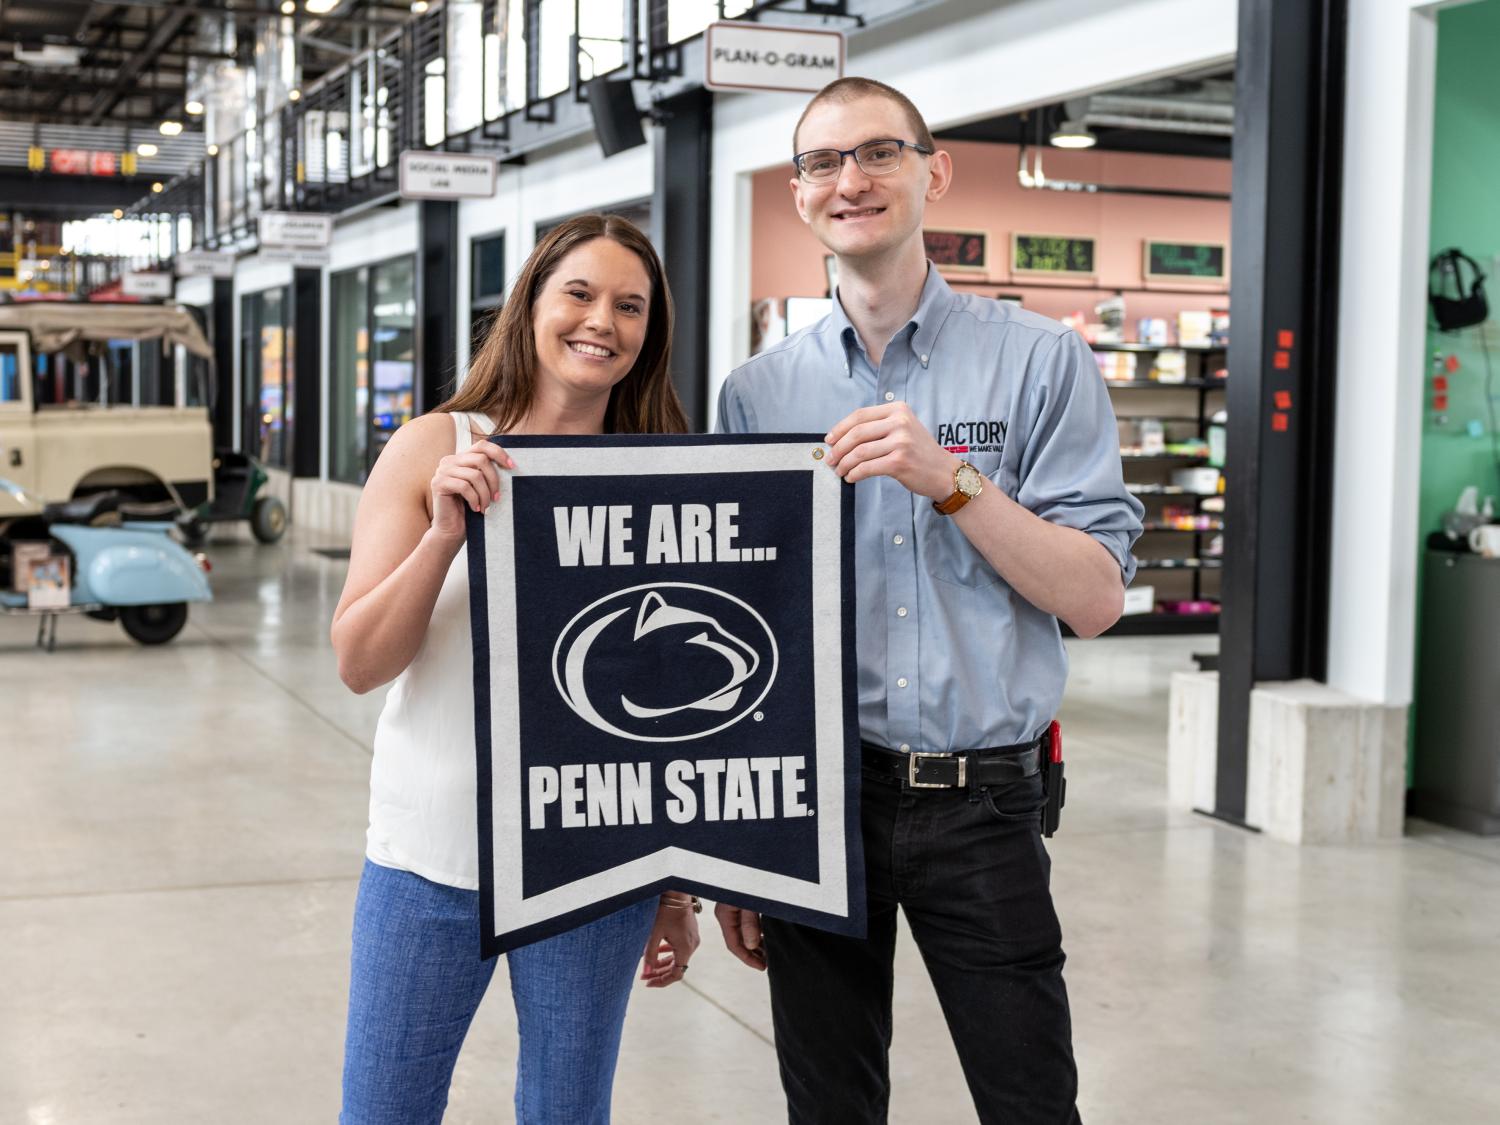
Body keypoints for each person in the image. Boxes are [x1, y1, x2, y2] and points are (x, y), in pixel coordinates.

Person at [714, 78, 1144, 1124]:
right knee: (828, 1105)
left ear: (933, 172)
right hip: (817, 802)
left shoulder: (1040, 360)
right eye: (821, 162)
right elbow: (741, 629)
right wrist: (736, 849)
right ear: (800, 192)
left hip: (985, 803)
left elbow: (1094, 599)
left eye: (877, 153)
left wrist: (952, 481)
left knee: (1030, 1100)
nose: (848, 180)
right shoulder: (757, 396)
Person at [331, 214, 700, 1125]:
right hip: (431, 857)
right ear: (531, 301)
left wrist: (676, 882)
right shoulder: (434, 445)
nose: (600, 321)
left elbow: (679, 707)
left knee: (567, 1112)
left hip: (595, 861)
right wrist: (444, 536)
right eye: (578, 292)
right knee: (383, 1111)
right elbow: (358, 660)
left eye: (629, 305)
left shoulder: (663, 470)